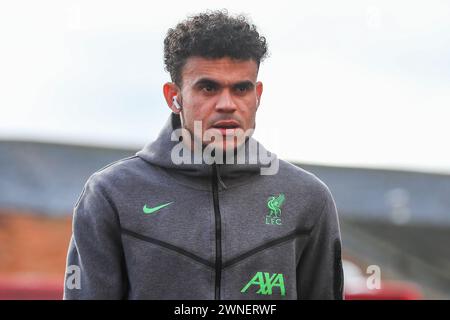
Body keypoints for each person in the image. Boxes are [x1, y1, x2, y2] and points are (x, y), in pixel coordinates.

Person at [63, 10, 343, 300]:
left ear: (257, 95)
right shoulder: (111, 195)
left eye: (241, 89)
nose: (227, 104)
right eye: (208, 87)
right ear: (174, 96)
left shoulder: (308, 199)